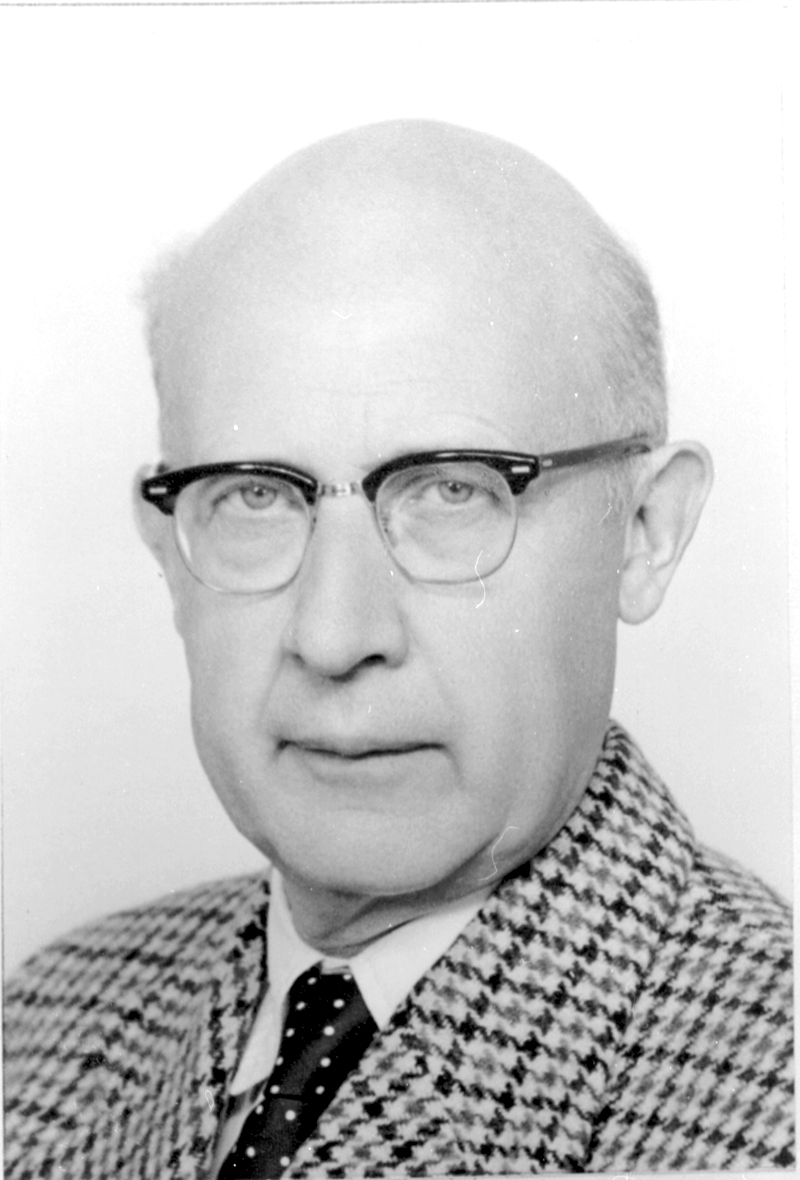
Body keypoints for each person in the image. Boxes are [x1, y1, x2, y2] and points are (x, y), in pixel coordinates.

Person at [3, 119, 793, 1178]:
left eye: (453, 490)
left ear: (645, 533)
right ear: (168, 549)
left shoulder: (766, 1101)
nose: (335, 636)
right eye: (253, 496)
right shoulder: (41, 1032)